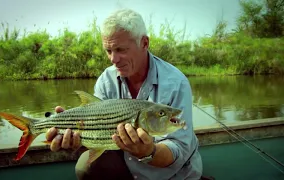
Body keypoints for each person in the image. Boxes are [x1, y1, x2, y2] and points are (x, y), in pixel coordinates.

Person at [45, 8, 203, 180]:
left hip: (173, 176)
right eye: (108, 50)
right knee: (85, 166)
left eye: (121, 49)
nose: (113, 59)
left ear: (144, 43)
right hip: (127, 167)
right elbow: (99, 134)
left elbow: (179, 149)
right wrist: (76, 138)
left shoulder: (176, 83)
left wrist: (149, 152)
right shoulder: (106, 80)